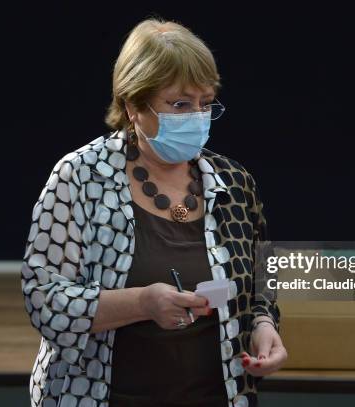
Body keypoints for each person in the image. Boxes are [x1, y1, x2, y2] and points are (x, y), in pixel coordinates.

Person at [20, 17, 286, 407]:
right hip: (101, 397)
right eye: (180, 104)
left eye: (205, 103)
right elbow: (44, 301)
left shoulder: (234, 182)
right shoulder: (80, 177)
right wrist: (142, 303)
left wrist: (264, 325)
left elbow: (262, 280)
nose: (197, 116)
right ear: (133, 106)